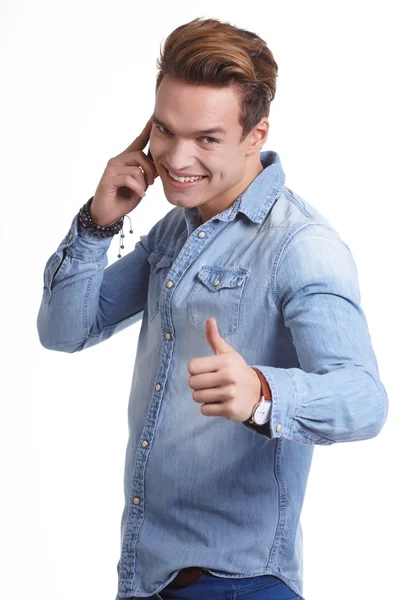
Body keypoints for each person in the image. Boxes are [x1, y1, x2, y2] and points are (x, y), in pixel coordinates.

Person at [36, 16, 388, 600]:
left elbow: (365, 398)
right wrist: (97, 225)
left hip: (238, 585)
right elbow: (65, 330)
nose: (176, 158)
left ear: (256, 134)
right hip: (148, 578)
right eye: (164, 131)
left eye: (207, 139)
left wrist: (262, 393)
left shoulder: (301, 246)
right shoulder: (175, 231)